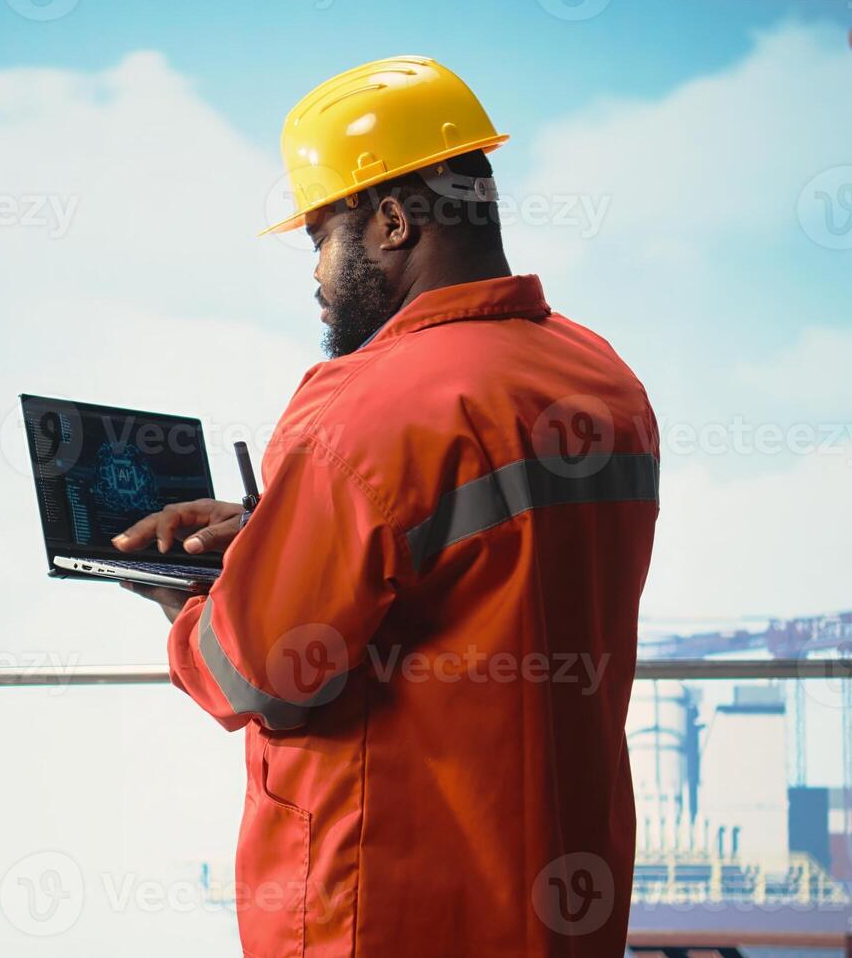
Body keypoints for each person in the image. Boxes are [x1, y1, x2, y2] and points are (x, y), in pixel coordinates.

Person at [116, 57, 659, 956]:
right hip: (558, 897)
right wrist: (280, 530)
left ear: (394, 220)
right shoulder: (601, 377)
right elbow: (488, 569)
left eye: (321, 237)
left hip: (385, 906)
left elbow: (265, 673)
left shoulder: (362, 405)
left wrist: (193, 606)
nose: (318, 274)